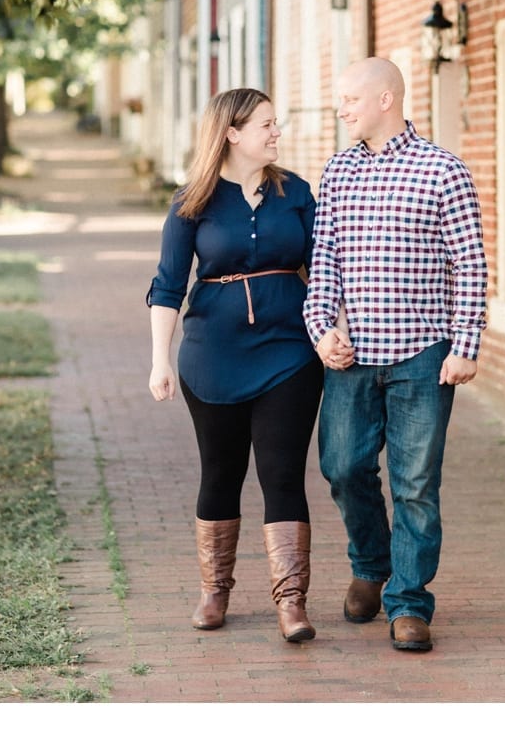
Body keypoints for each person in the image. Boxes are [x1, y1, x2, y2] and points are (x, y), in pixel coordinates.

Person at [303, 57, 487, 653]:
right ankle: (370, 563)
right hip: (352, 359)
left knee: (414, 485)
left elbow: (470, 265)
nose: (341, 108)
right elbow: (324, 262)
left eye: (350, 98)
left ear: (386, 99)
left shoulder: (443, 171)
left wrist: (465, 346)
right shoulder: (336, 173)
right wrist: (320, 329)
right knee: (342, 468)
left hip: (423, 357)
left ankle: (408, 603)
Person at [147, 87, 324, 643]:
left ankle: (291, 603)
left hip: (289, 352)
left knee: (282, 474)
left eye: (276, 124)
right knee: (220, 474)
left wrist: (331, 329)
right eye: (267, 125)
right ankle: (214, 590)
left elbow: (325, 269)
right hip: (211, 356)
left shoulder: (295, 192)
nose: (277, 133)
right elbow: (167, 286)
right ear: (232, 133)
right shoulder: (190, 202)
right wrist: (159, 361)